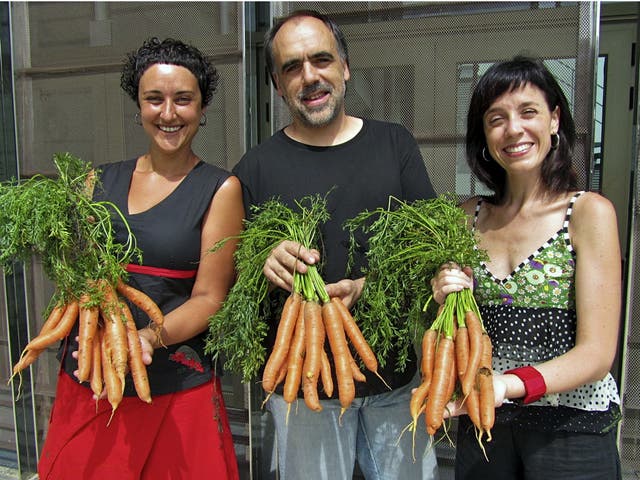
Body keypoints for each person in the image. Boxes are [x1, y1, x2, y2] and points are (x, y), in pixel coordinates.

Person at [232, 10, 439, 480]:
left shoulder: (394, 144)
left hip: (396, 380)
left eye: (321, 59)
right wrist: (263, 260)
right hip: (305, 388)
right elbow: (234, 276)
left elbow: (429, 250)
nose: (309, 76)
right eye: (291, 67)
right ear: (277, 85)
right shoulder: (255, 168)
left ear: (344, 67)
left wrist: (371, 286)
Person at [37, 37, 244, 479]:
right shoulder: (97, 181)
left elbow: (210, 298)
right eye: (155, 99)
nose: (168, 113)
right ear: (139, 107)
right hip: (91, 375)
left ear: (202, 109)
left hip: (172, 384)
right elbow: (81, 275)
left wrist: (150, 337)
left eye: (183, 100)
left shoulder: (220, 189)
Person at [430, 56, 622, 479]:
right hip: (485, 424)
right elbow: (449, 331)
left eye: (528, 112)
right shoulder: (467, 217)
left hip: (571, 426)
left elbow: (596, 354)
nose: (513, 129)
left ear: (554, 120)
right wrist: (442, 298)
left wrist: (506, 385)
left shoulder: (588, 213)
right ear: (484, 134)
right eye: (496, 118)